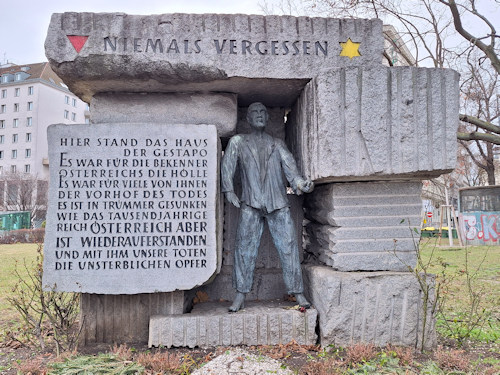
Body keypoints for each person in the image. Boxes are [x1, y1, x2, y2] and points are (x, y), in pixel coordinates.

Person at [221, 102, 314, 312]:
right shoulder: (238, 141)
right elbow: (227, 166)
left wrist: (301, 184)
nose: (260, 115)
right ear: (248, 119)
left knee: (289, 246)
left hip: (277, 203)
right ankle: (240, 295)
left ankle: (298, 292)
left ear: (268, 117)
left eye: (263, 111)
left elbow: (292, 170)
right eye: (255, 112)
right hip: (251, 202)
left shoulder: (277, 144)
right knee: (244, 248)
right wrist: (229, 190)